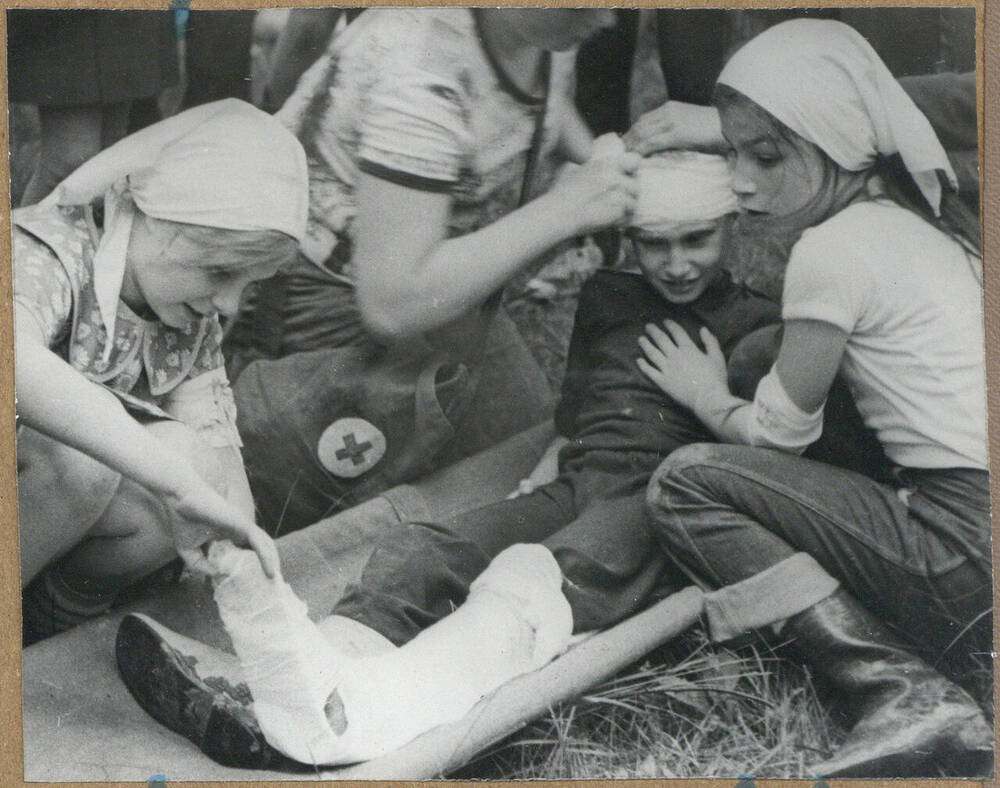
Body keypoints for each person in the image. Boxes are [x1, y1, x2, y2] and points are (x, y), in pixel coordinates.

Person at [115, 147, 785, 768]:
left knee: (538, 576)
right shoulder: (611, 298)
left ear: (732, 228)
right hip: (583, 479)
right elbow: (578, 406)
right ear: (630, 240)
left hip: (659, 502)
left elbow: (772, 458)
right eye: (654, 244)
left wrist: (711, 396)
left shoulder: (754, 327)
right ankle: (314, 674)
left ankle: (363, 717)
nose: (675, 264)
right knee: (424, 550)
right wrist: (555, 451)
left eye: (696, 240)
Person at [637, 20, 991, 778]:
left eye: (766, 157)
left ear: (833, 140)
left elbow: (776, 441)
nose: (739, 180)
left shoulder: (831, 249)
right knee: (771, 355)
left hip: (968, 549)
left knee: (686, 482)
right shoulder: (924, 220)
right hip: (975, 527)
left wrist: (704, 395)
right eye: (731, 153)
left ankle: (900, 687)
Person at [224, 8, 639, 532]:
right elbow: (392, 303)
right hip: (328, 296)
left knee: (535, 474)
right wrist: (568, 208)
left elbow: (539, 106)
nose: (606, 19)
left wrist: (600, 161)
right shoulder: (420, 70)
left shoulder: (533, 27)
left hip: (441, 278)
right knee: (349, 525)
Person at [16, 100, 306, 645]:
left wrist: (249, 565)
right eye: (219, 271)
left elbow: (215, 445)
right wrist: (175, 485)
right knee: (90, 464)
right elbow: (17, 363)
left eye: (249, 284)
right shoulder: (45, 250)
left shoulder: (186, 311)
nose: (229, 302)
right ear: (143, 209)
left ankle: (52, 629)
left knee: (191, 461)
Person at [8, 10, 180, 206]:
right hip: (64, 30)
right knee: (68, 162)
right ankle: (26, 235)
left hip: (124, 27)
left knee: (110, 158)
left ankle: (86, 234)